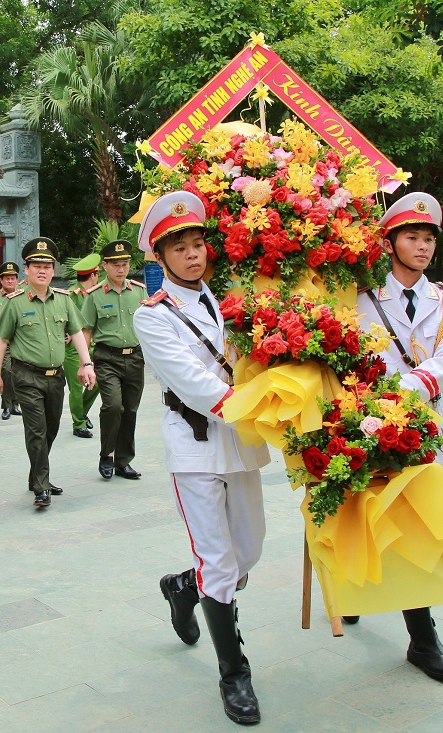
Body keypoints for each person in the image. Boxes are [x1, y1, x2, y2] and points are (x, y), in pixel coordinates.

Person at [133, 191, 270, 726]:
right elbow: (190, 383)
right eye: (180, 248)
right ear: (160, 257)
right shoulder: (153, 316)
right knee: (219, 560)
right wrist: (261, 404)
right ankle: (234, 673)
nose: (193, 255)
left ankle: (182, 587)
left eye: (198, 244)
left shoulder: (231, 299)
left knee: (249, 553)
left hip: (244, 444)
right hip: (194, 445)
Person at [351, 191, 443, 683]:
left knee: (418, 530)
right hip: (368, 427)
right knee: (359, 518)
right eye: (412, 237)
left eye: (428, 239)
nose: (422, 247)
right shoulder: (359, 300)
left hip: (425, 429)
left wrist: (404, 389)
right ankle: (353, 591)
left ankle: (423, 640)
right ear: (391, 242)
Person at [0, 237, 95, 507]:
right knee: (36, 430)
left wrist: (87, 364)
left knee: (51, 428)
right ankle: (41, 486)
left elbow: (77, 333)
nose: (43, 270)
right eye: (37, 265)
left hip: (56, 377)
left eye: (47, 265)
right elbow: (1, 339)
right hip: (26, 376)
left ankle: (36, 474)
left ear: (53, 269)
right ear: (27, 269)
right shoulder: (14, 303)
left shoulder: (64, 299)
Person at [81, 240, 146, 481]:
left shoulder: (139, 291)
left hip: (135, 358)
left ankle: (123, 461)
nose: (121, 269)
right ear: (105, 266)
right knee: (113, 406)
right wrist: (84, 364)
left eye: (125, 264)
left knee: (130, 409)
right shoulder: (95, 295)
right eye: (116, 264)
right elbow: (86, 331)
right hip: (107, 358)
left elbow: (149, 326)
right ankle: (106, 454)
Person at [65, 254, 101, 438]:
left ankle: (82, 412)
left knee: (98, 382)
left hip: (94, 347)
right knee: (76, 387)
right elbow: (63, 318)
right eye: (97, 274)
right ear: (93, 275)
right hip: (73, 350)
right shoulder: (71, 295)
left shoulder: (95, 294)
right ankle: (78, 424)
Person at [0, 260, 22, 419]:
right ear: (1, 280)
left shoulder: (23, 296)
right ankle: (7, 405)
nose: (10, 281)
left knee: (19, 373)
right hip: (4, 342)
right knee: (7, 371)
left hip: (21, 341)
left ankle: (16, 403)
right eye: (7, 278)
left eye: (13, 278)